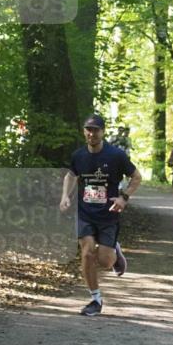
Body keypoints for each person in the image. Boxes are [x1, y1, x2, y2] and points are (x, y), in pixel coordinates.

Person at [60, 114, 141, 317]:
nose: (91, 134)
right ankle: (95, 299)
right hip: (85, 213)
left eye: (96, 130)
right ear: (84, 132)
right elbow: (71, 175)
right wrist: (65, 197)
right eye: (88, 129)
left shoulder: (116, 156)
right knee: (87, 252)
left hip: (108, 215)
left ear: (103, 132)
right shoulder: (79, 155)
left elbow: (136, 177)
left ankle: (114, 249)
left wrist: (123, 198)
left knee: (105, 261)